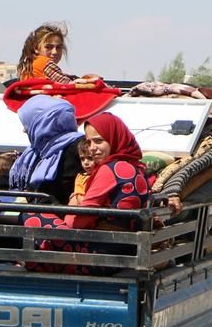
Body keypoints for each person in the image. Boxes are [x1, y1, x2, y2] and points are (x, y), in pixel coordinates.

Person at [20, 112, 150, 274]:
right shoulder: (137, 168)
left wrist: (73, 203)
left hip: (100, 256)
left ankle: (38, 262)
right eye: (88, 142)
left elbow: (77, 222)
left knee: (32, 214)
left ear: (114, 137)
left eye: (99, 141)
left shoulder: (110, 169)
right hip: (127, 252)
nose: (92, 148)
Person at [69, 139, 96, 206]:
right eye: (82, 159)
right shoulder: (81, 177)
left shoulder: (101, 174)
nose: (85, 162)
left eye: (90, 158)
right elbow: (80, 198)